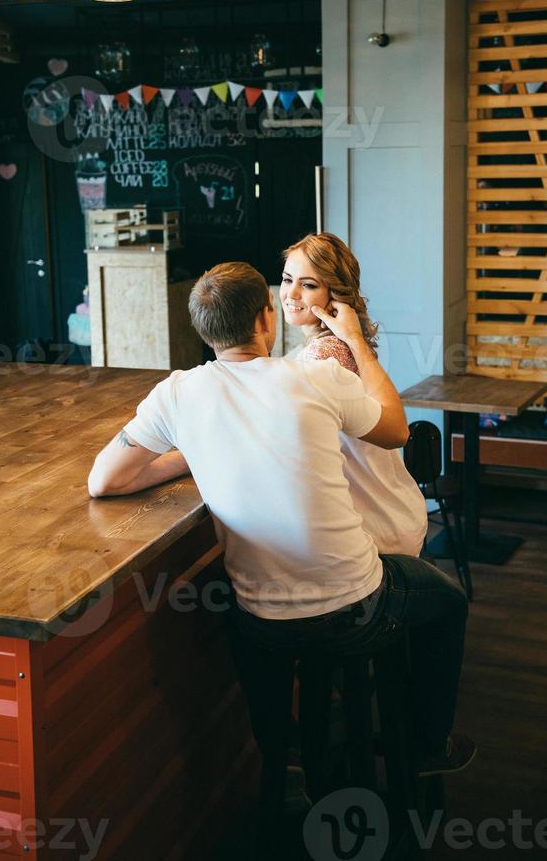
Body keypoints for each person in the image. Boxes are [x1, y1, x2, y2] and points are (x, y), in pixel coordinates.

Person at [88, 262, 474, 780]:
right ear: (266, 318)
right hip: (355, 606)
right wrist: (357, 342)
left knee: (249, 622)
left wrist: (199, 447)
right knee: (450, 603)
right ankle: (428, 747)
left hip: (262, 627)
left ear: (202, 332)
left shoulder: (176, 394)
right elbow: (397, 430)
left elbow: (105, 482)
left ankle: (290, 754)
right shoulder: (315, 376)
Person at [280, 232, 428, 557]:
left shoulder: (325, 356)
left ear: (335, 293)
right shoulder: (332, 347)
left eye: (308, 284)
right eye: (287, 279)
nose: (291, 293)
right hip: (392, 509)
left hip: (374, 525)